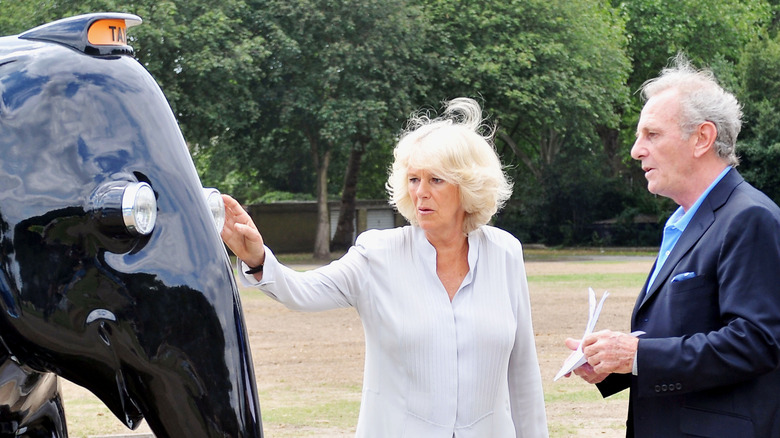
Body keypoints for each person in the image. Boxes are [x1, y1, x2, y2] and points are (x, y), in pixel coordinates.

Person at [220, 97, 549, 438]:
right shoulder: (376, 254)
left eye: (435, 180)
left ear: (467, 187)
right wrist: (258, 259)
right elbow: (303, 291)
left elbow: (522, 373)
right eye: (413, 179)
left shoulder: (505, 253)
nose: (421, 192)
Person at [564, 53, 780, 437]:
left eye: (652, 134)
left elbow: (756, 343)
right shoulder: (683, 221)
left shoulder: (750, 217)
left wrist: (636, 355)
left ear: (702, 138)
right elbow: (682, 336)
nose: (635, 150)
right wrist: (614, 366)